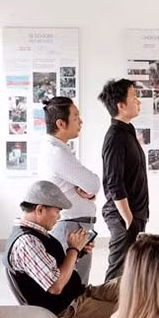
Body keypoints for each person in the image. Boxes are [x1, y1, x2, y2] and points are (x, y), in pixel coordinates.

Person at [3, 181, 119, 318]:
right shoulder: (27, 242)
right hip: (64, 314)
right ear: (40, 209)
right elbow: (55, 285)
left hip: (76, 298)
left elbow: (53, 270)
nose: (58, 217)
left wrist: (78, 252)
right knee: (135, 310)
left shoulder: (35, 236)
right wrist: (73, 249)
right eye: (56, 211)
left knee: (132, 287)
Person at [38, 97, 101, 285]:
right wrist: (91, 190)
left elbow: (89, 188)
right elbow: (93, 183)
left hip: (73, 224)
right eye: (76, 117)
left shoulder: (56, 148)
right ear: (60, 123)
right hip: (71, 227)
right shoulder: (57, 152)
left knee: (75, 284)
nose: (81, 122)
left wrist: (90, 192)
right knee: (74, 287)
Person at [98, 78, 149, 282]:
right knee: (117, 274)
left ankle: (126, 313)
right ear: (121, 105)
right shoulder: (115, 137)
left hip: (134, 216)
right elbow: (114, 182)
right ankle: (109, 314)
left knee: (130, 274)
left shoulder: (127, 132)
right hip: (123, 217)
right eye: (134, 97)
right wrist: (128, 219)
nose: (138, 102)